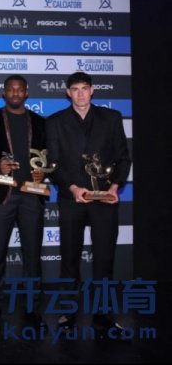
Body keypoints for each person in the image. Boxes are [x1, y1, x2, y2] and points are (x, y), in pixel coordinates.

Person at [46, 71, 131, 331]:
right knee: (69, 258)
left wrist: (115, 187)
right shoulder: (55, 122)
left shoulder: (111, 118)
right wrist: (72, 188)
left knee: (104, 258)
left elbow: (123, 158)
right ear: (68, 93)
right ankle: (68, 312)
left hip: (105, 199)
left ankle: (104, 314)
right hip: (72, 199)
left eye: (85, 88)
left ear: (92, 91)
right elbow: (53, 164)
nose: (80, 93)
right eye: (75, 89)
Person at [0, 75, 47, 328]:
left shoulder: (40, 122)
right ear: (4, 93)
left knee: (32, 255)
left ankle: (32, 307)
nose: (15, 93)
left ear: (26, 93)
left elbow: (50, 155)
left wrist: (44, 172)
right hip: (2, 195)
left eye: (20, 89)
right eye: (11, 89)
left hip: (31, 195)